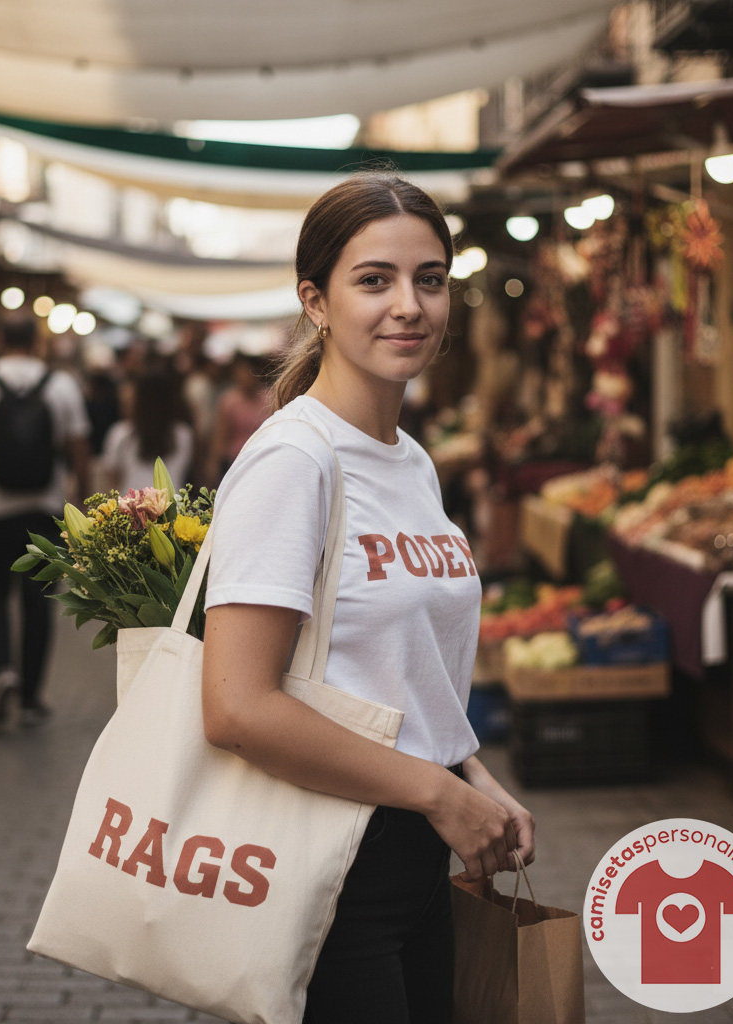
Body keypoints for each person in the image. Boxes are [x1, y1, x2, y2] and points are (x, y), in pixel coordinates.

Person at [201, 173, 535, 1024]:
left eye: (430, 279)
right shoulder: (295, 462)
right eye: (374, 280)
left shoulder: (411, 461)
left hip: (416, 858)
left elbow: (397, 674)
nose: (409, 307)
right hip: (325, 862)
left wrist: (472, 777)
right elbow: (237, 705)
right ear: (315, 301)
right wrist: (436, 793)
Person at [0, 318, 91, 728]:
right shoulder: (61, 386)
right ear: (37, 341)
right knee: (38, 603)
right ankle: (29, 698)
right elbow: (79, 450)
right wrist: (86, 505)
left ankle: (2, 672)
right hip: (45, 511)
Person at [101, 365, 194, 494]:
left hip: (131, 508)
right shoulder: (184, 434)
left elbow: (113, 481)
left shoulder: (121, 434)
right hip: (173, 509)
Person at [206, 351, 270, 485]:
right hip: (235, 461)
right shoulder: (229, 401)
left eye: (248, 372)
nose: (245, 377)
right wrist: (214, 463)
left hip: (262, 459)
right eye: (241, 372)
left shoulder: (269, 399)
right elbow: (220, 436)